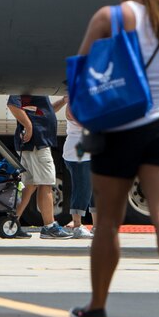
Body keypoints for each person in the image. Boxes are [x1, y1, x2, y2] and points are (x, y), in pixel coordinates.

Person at [68, 0, 159, 317]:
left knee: (107, 221)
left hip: (118, 126)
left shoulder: (110, 17)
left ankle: (97, 305)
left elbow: (82, 74)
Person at [7, 92, 71, 239]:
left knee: (30, 186)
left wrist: (62, 101)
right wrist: (28, 126)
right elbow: (12, 104)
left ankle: (12, 223)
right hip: (37, 143)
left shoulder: (36, 88)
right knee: (46, 183)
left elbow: (44, 112)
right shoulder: (27, 84)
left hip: (36, 144)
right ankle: (49, 227)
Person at [60, 98, 93, 236]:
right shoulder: (73, 102)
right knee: (81, 187)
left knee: (93, 191)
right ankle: (77, 225)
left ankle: (97, 226)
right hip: (77, 152)